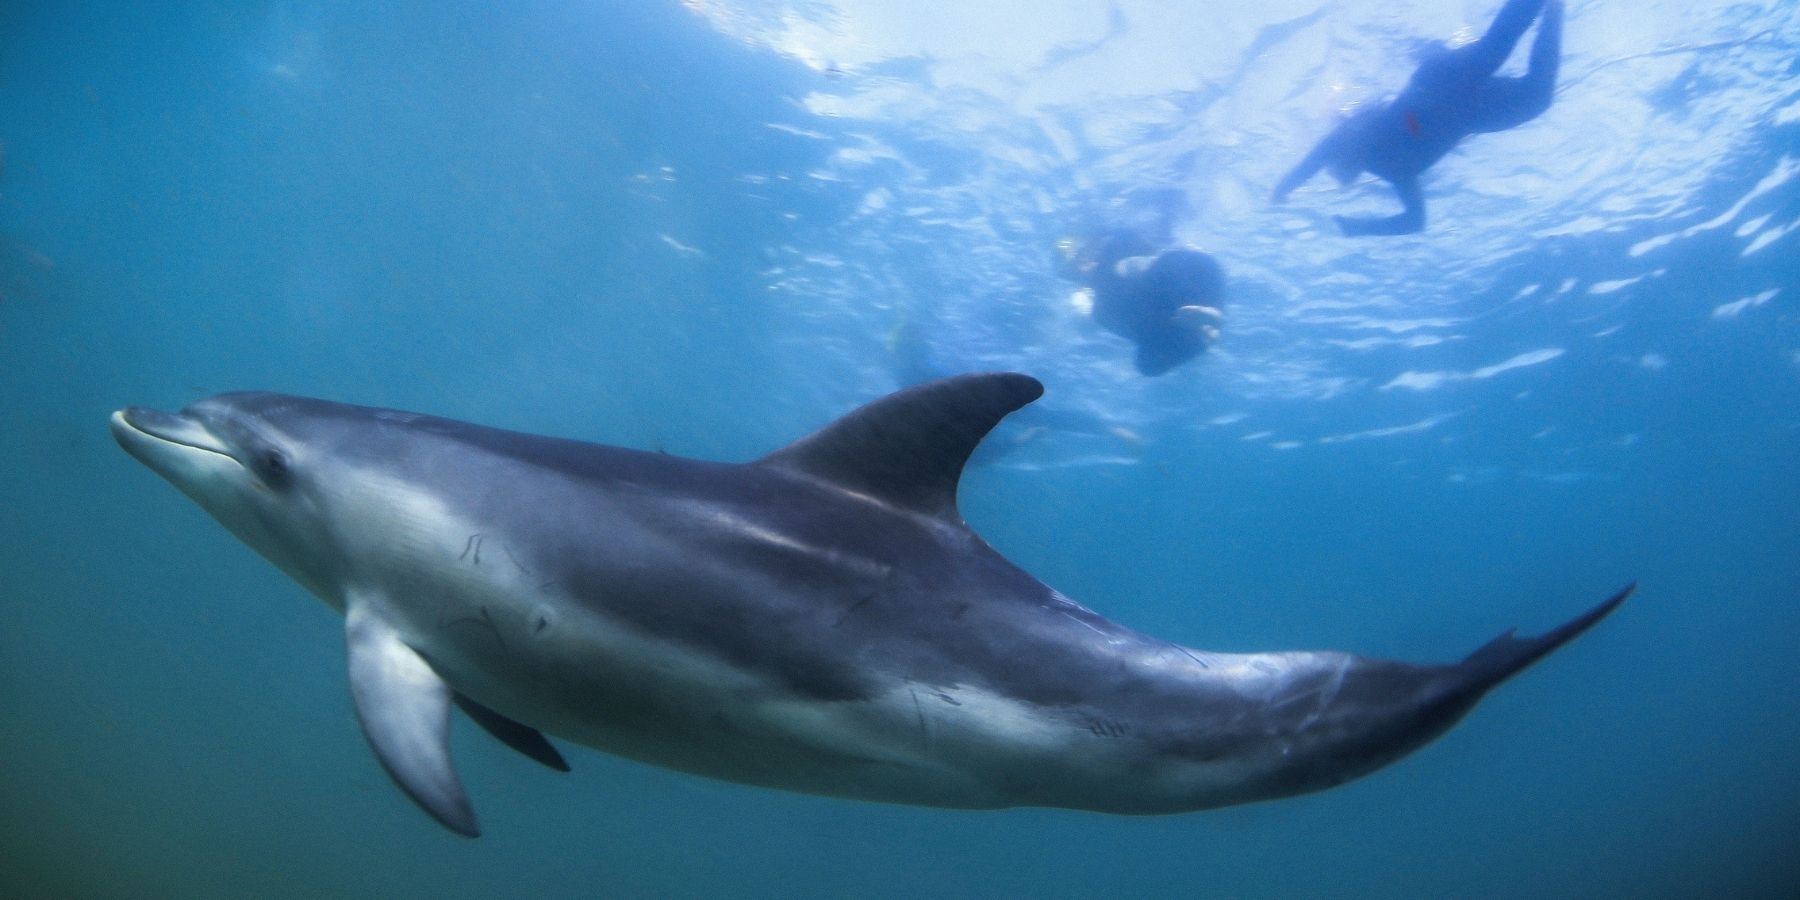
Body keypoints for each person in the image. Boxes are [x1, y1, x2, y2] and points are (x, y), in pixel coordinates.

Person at [1271, 0, 1562, 236]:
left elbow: (1315, 158)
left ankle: (1550, 8)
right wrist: (1359, 228)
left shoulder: (1356, 144)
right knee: (1536, 95)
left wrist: (1284, 190)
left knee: (1495, 51)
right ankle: (1554, 9)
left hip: (1440, 85)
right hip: (1468, 109)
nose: (1338, 173)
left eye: (1337, 168)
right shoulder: (1395, 171)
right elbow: (1416, 221)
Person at [1059, 230, 1224, 377]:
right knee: (1145, 366)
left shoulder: (1116, 249)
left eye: (1082, 256)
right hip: (1178, 320)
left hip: (1189, 278)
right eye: (1075, 265)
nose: (1083, 264)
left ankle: (1207, 325)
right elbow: (1140, 337)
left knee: (1127, 269)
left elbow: (1152, 259)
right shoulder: (1100, 309)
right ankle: (1206, 327)